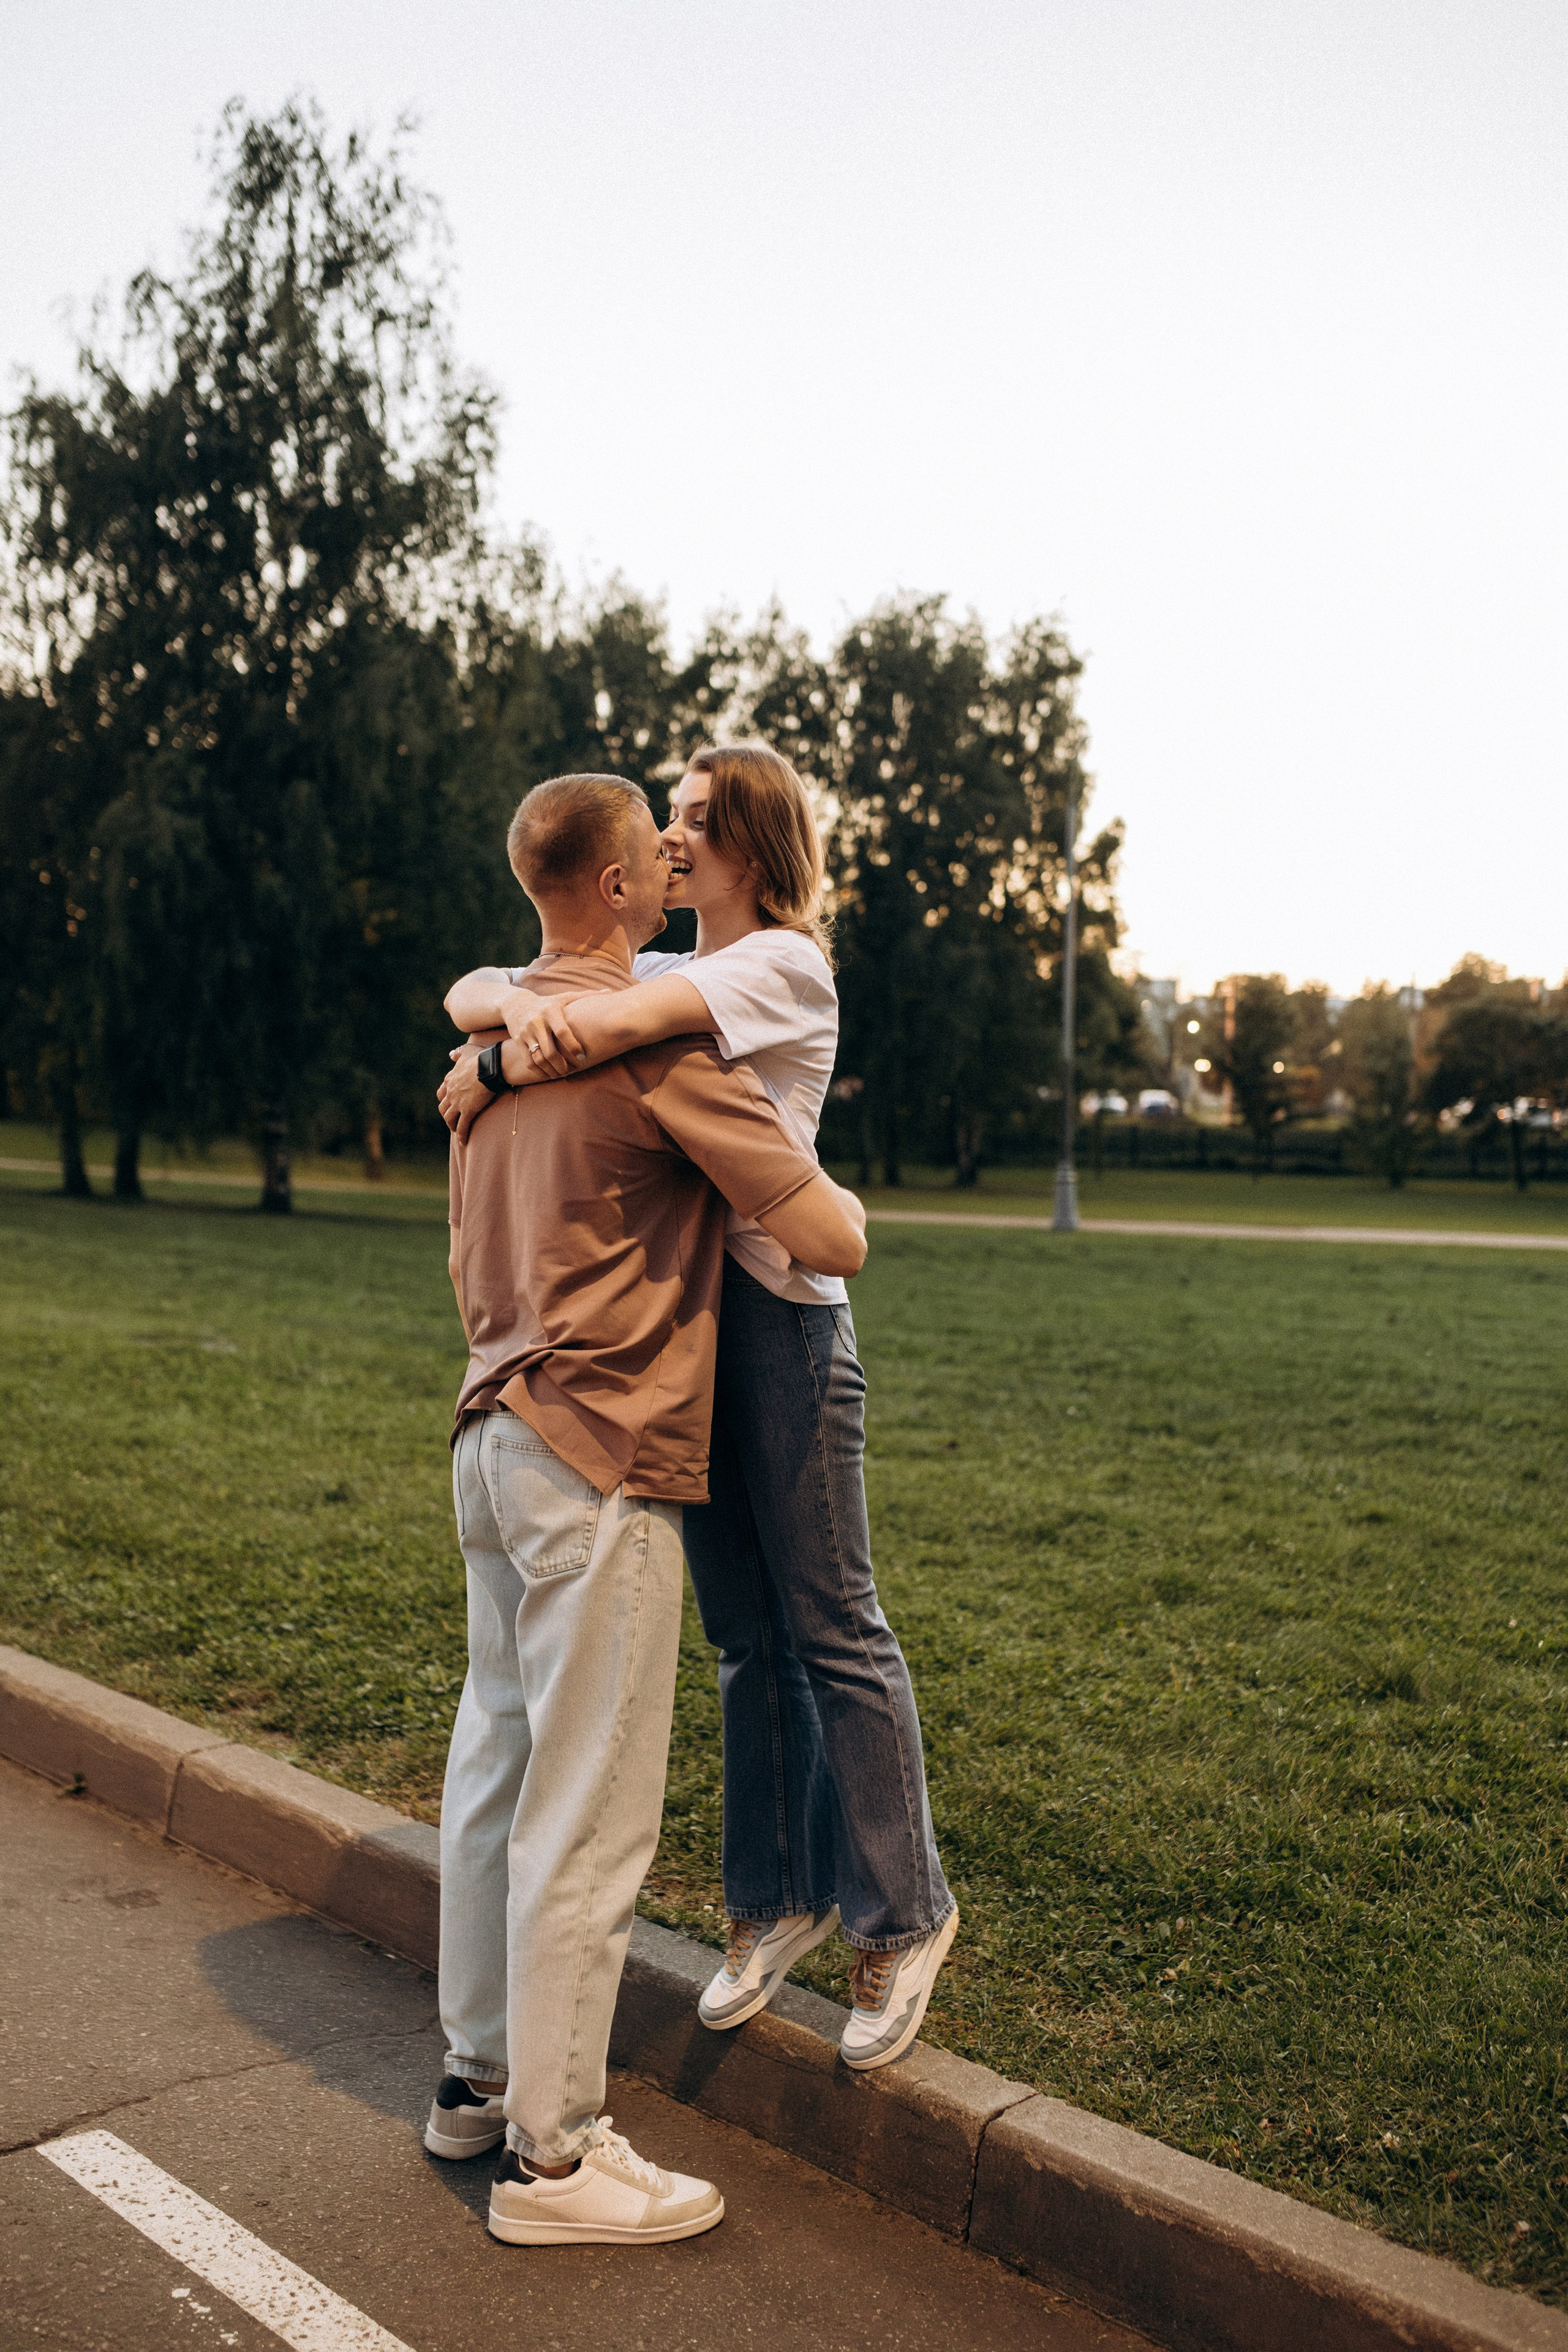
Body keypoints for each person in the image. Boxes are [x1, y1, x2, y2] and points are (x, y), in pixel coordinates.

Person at [442, 742, 956, 2077]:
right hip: (694, 1336)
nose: (670, 839)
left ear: (745, 844)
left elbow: (595, 1025)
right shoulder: (672, 970)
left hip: (786, 1328)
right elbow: (499, 988)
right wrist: (505, 1020)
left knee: (834, 1626)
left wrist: (499, 1056)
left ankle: (903, 1915)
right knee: (742, 1636)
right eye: (662, 821)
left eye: (690, 820)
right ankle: (770, 1900)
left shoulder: (781, 965)